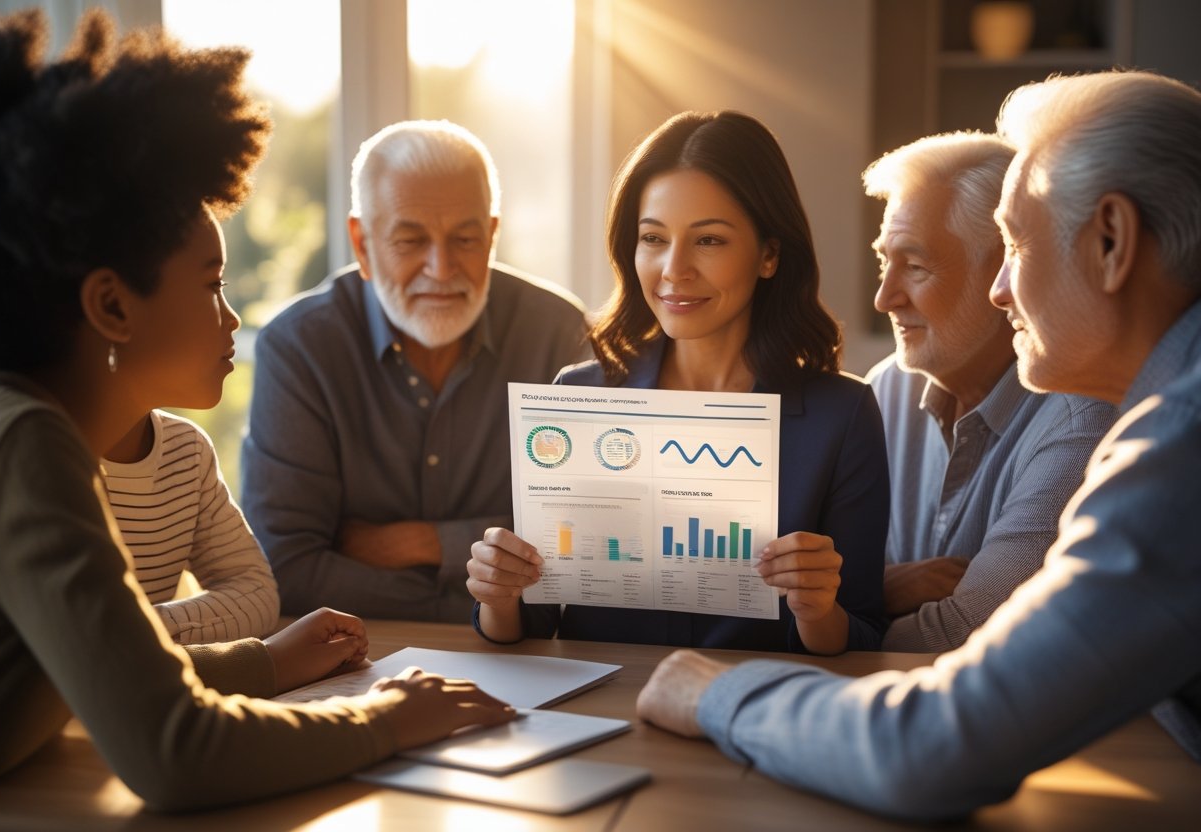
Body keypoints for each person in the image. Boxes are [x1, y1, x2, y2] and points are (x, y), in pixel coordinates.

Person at [635, 69, 1201, 821]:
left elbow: (935, 748)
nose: (1003, 292)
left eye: (1016, 244)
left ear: (1110, 241)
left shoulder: (1180, 443)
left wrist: (715, 691)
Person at [0, 9, 511, 810]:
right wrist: (388, 718)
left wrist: (266, 664)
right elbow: (177, 752)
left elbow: (100, 672)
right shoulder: (23, 442)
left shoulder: (27, 426)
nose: (232, 319)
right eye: (210, 285)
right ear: (112, 307)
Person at [467, 111, 889, 655]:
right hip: (601, 715)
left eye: (709, 240)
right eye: (653, 238)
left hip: (751, 717)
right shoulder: (579, 398)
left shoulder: (843, 416)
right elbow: (532, 618)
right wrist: (498, 596)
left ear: (769, 254)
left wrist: (818, 610)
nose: (674, 269)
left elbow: (865, 635)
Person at [241, 120, 589, 623]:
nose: (441, 269)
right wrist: (479, 596)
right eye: (410, 241)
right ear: (361, 245)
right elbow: (287, 571)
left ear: (491, 235)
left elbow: (586, 537)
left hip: (522, 653)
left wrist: (425, 543)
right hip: (358, 658)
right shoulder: (300, 348)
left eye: (465, 239)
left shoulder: (558, 332)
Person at [863, 132, 1116, 651]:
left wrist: (833, 617)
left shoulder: (1080, 420)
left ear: (1007, 268)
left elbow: (968, 634)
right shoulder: (883, 391)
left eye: (914, 266)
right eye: (883, 262)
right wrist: (878, 589)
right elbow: (785, 586)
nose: (884, 297)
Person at [103, 409, 279, 643]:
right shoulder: (46, 459)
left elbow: (257, 592)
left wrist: (146, 630)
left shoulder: (187, 447)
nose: (231, 368)